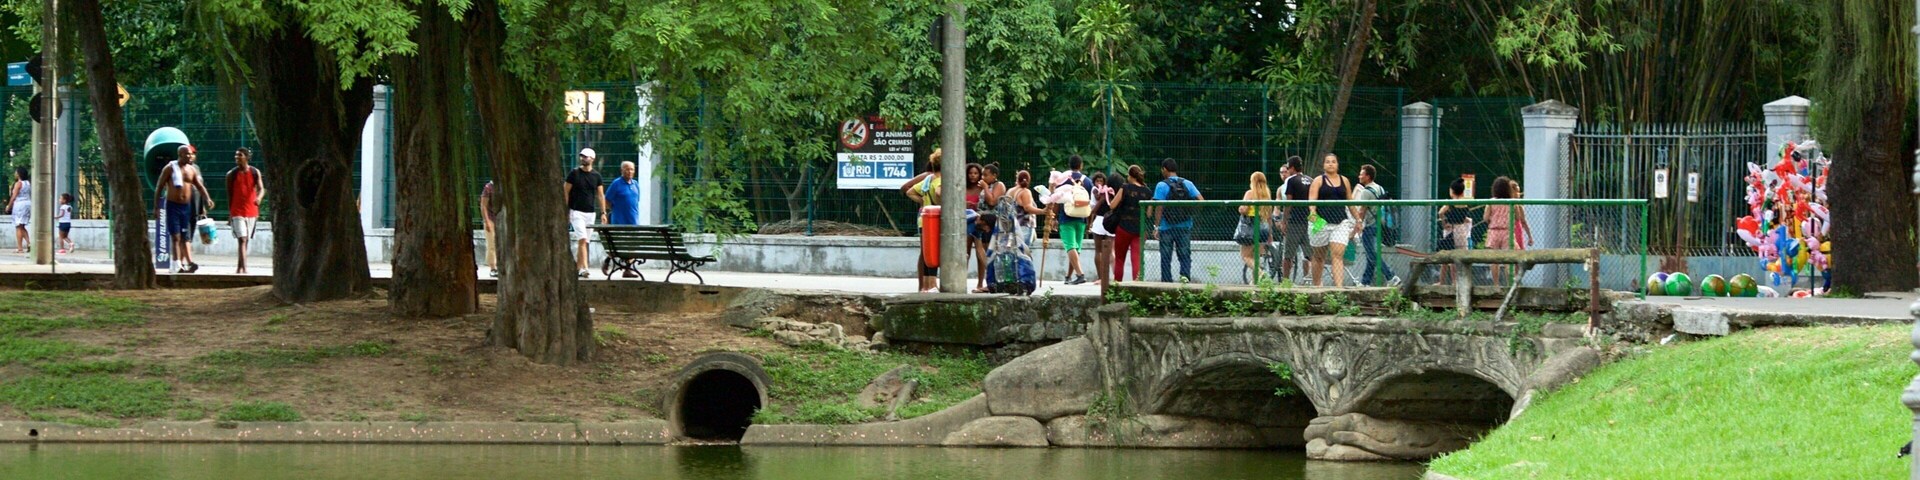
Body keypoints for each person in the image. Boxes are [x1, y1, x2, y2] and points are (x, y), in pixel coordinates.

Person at [984, 169, 1048, 294]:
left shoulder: (1010, 191)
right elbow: (1027, 207)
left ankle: (1010, 280)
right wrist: (1043, 211)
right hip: (1023, 226)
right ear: (1028, 181)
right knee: (1022, 254)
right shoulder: (1025, 192)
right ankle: (1022, 280)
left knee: (1010, 254)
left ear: (1017, 179)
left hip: (1009, 228)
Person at [154, 145, 213, 273]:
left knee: (184, 236)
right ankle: (176, 264)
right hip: (172, 206)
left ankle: (186, 263)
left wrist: (207, 198)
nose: (189, 156)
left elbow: (200, 186)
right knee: (175, 236)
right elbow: (159, 187)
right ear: (180, 154)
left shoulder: (191, 170)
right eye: (187, 154)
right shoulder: (170, 168)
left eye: (191, 154)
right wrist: (156, 207)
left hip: (186, 207)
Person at [1306, 153, 1355, 287]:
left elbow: (1350, 201)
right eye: (1327, 162)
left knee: (1337, 255)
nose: (1331, 164)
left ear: (1337, 164)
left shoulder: (1344, 180)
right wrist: (1313, 212)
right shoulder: (1318, 180)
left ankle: (1338, 289)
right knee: (1319, 256)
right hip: (1321, 222)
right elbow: (1312, 200)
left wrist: (1358, 220)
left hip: (1340, 223)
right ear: (1324, 165)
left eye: (1333, 161)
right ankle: (1317, 285)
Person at [1151, 158, 1203, 282]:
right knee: (1184, 254)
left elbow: (1159, 207)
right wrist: (1191, 213)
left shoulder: (1161, 185)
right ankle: (1184, 278)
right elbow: (1201, 200)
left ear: (1164, 169)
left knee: (1165, 256)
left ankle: (1166, 282)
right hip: (1185, 225)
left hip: (1166, 227)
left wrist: (1156, 227)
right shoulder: (1188, 183)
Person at [902, 149, 944, 292]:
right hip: (935, 220)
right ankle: (932, 284)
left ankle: (926, 285)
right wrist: (940, 203)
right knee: (934, 252)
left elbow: (909, 191)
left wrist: (923, 202)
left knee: (927, 253)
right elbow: (939, 192)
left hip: (923, 220)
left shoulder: (928, 179)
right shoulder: (940, 180)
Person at [563, 148, 606, 278]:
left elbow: (600, 195)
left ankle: (577, 268)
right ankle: (585, 268)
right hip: (576, 211)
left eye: (586, 157)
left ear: (592, 159)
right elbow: (565, 190)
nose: (583, 159)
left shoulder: (596, 176)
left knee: (585, 241)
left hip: (590, 213)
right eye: (582, 156)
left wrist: (603, 212)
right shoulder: (574, 174)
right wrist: (566, 208)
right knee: (582, 239)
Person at [1352, 165, 1398, 286]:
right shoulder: (1380, 188)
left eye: (1361, 174)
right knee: (1370, 255)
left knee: (1372, 254)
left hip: (1369, 226)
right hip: (1380, 226)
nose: (1359, 176)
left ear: (1367, 176)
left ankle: (1391, 276)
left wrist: (1357, 226)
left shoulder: (1366, 191)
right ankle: (1365, 282)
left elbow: (1362, 211)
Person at [1054, 155, 1096, 285]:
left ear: (1069, 165)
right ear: (1081, 165)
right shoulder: (1088, 181)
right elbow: (1091, 201)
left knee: (1070, 246)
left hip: (1066, 217)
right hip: (1082, 217)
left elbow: (1056, 199)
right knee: (1076, 248)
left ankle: (1080, 274)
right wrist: (1089, 221)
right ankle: (1068, 276)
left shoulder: (1063, 180)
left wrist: (1053, 217)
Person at [1486, 176, 1534, 285]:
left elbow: (1485, 217)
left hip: (1494, 231)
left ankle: (1496, 284)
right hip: (1507, 232)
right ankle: (1510, 284)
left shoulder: (1491, 201)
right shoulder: (1511, 202)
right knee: (1509, 259)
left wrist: (1492, 220)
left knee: (1494, 260)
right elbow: (1518, 217)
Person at [1108, 165, 1150, 282]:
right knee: (1136, 258)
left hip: (1123, 228)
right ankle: (1137, 285)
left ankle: (1117, 285)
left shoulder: (1125, 187)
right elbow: (1148, 214)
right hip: (1139, 229)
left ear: (1130, 176)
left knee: (1120, 259)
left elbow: (1112, 206)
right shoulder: (1147, 191)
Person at [226, 148, 265, 274]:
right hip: (237, 211)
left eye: (240, 155)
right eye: (236, 156)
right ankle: (245, 269)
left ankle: (239, 268)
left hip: (251, 211)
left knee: (245, 239)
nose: (237, 158)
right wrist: (230, 214)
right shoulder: (231, 175)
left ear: (247, 157)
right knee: (242, 239)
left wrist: (258, 198)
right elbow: (229, 195)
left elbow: (261, 189)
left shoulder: (254, 172)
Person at [1275, 157, 1312, 281]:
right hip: (1309, 221)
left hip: (1294, 222)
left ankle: (1285, 282)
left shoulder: (1291, 181)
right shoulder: (1310, 180)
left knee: (1288, 254)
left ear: (1291, 167)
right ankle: (1311, 279)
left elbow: (1288, 202)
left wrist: (1284, 221)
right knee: (1310, 254)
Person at [1235, 172, 1273, 281]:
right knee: (1255, 257)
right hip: (1264, 227)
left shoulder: (1250, 193)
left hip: (1251, 226)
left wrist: (1241, 208)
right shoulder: (1267, 196)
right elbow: (1269, 217)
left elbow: (1244, 209)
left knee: (1245, 256)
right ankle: (1255, 282)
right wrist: (1270, 234)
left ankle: (1260, 273)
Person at [1436, 178, 1474, 284]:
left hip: (1451, 230)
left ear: (1452, 191)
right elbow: (1464, 217)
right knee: (1460, 255)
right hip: (1461, 230)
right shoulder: (1466, 203)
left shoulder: (1450, 203)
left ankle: (1443, 281)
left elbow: (1440, 213)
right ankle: (1456, 282)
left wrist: (1444, 223)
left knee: (1446, 257)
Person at [964, 163, 993, 293]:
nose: (973, 176)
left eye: (976, 173)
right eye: (970, 173)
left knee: (980, 252)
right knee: (965, 252)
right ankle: (961, 280)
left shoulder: (982, 187)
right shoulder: (963, 188)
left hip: (980, 221)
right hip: (966, 222)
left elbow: (988, 202)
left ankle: (981, 282)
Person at [1087, 173, 1116, 290]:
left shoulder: (1100, 192)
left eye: (1101, 181)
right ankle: (1111, 276)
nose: (1099, 183)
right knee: (1110, 250)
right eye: (1097, 181)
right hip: (1110, 220)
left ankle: (1102, 277)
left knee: (1099, 250)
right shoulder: (1112, 192)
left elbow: (1094, 209)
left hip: (1100, 220)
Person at [607, 161, 642, 226]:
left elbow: (636, 202)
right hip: (619, 222)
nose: (630, 172)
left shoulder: (635, 184)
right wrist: (615, 209)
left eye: (632, 169)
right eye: (627, 169)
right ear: (622, 170)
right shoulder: (616, 183)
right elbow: (607, 199)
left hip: (634, 221)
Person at [480, 179, 502, 277]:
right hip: (491, 219)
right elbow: (483, 205)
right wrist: (487, 221)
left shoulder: (504, 185)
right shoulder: (489, 187)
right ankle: (493, 268)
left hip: (502, 218)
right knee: (492, 243)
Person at [8, 167, 28, 254]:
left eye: (16, 172)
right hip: (27, 204)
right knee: (22, 226)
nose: (15, 174)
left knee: (18, 226)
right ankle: (29, 243)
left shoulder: (18, 184)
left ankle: (20, 248)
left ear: (19, 174)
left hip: (20, 205)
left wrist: (9, 205)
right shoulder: (28, 183)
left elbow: (14, 196)